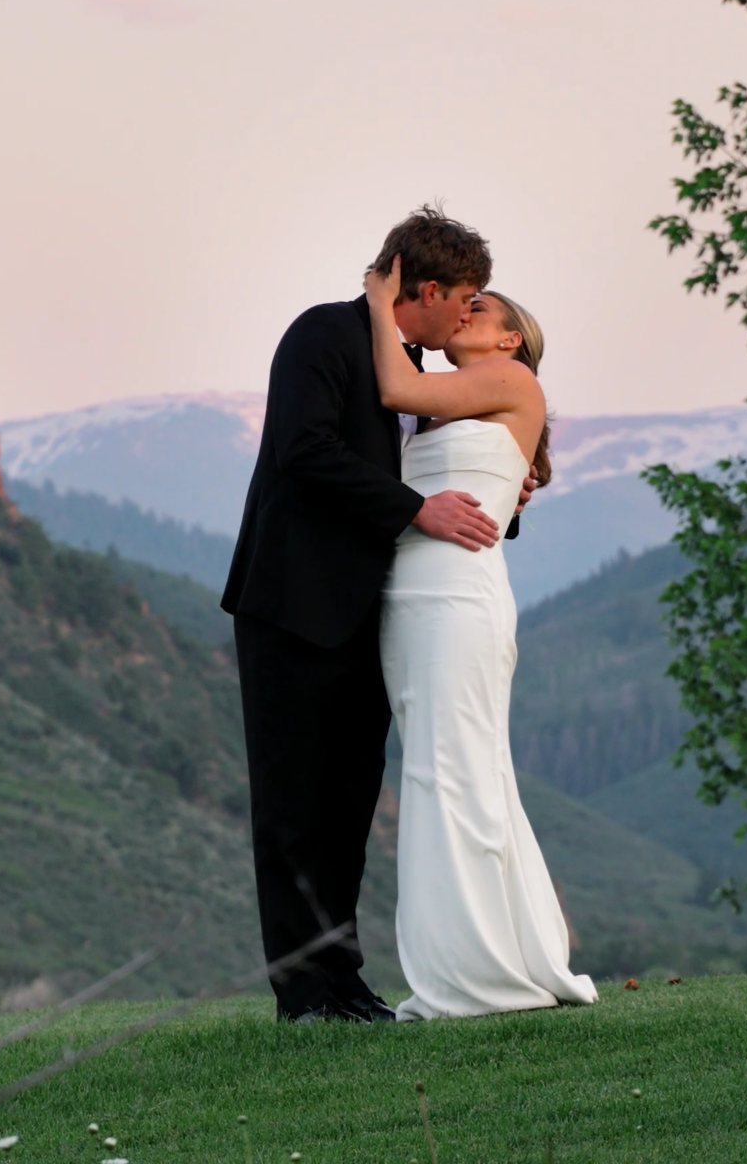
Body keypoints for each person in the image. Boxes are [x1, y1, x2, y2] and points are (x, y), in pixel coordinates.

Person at [220, 207, 511, 1023]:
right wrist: (416, 511)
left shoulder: (405, 363)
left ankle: (344, 983)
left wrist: (498, 500)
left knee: (348, 807)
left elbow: (441, 469)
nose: (469, 314)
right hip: (291, 607)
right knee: (291, 810)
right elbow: (305, 450)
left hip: (370, 619)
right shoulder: (320, 334)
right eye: (465, 297)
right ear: (424, 287)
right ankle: (301, 995)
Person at [362, 259, 595, 1019]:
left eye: (480, 305)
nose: (463, 311)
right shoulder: (443, 411)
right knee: (446, 770)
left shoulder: (511, 385)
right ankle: (500, 956)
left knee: (452, 774)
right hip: (407, 600)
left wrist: (376, 299)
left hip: (459, 600)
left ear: (510, 342)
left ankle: (475, 976)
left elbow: (393, 385)